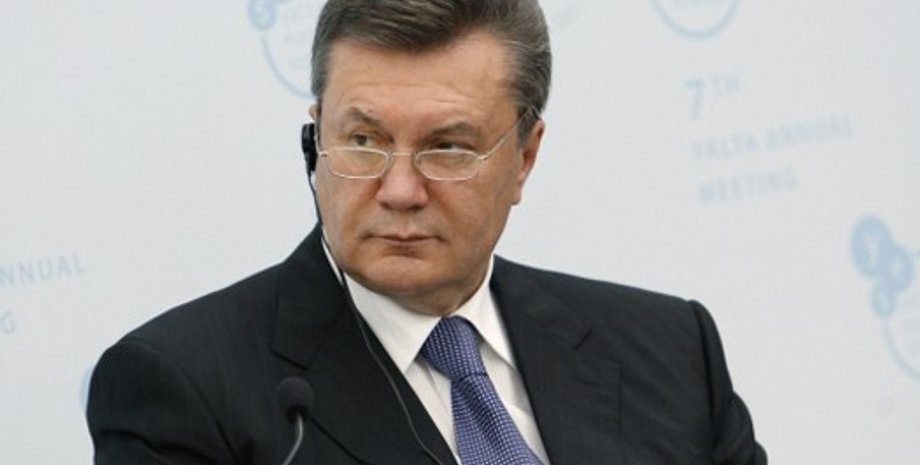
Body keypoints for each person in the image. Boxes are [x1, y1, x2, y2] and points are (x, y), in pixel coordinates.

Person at [87, 1, 767, 464]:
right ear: (315, 141)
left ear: (525, 157)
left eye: (447, 147)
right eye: (363, 141)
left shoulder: (670, 350)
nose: (400, 190)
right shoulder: (183, 390)